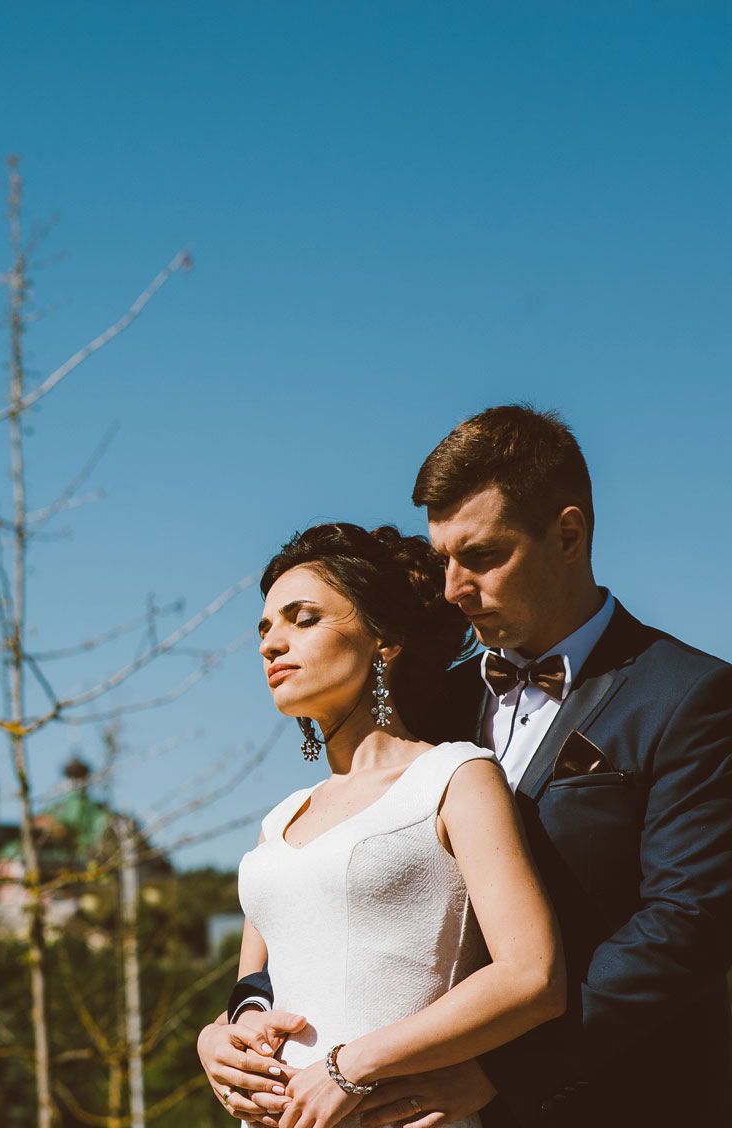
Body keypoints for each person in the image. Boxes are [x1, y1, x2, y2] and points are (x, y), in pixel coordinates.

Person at [200, 406, 732, 1128]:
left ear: (568, 535)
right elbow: (328, 899)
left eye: (480, 556)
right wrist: (239, 1015)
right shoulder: (430, 706)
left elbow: (687, 925)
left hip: (618, 1096)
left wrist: (503, 1073)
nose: (452, 588)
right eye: (442, 557)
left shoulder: (688, 696)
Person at [229, 521, 563, 1128]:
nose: (271, 643)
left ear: (383, 640)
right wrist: (221, 1039)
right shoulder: (280, 820)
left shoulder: (456, 777)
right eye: (265, 626)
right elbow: (256, 985)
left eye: (302, 618)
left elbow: (532, 977)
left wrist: (348, 1066)